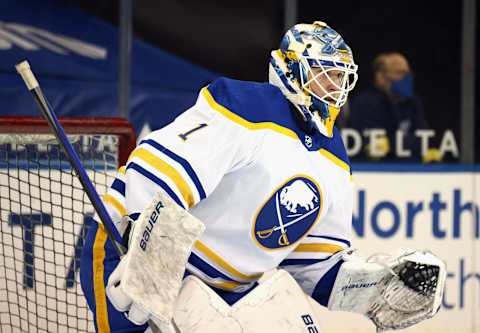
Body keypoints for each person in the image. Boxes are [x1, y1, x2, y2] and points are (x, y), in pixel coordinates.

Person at [80, 22, 444, 332]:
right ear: (292, 70)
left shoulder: (334, 158)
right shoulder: (246, 105)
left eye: (339, 76)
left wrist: (381, 287)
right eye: (324, 72)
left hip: (219, 294)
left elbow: (316, 268)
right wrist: (146, 256)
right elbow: (159, 168)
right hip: (127, 249)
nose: (334, 86)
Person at [349, 52, 441, 162]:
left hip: (410, 166)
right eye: (400, 73)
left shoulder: (412, 102)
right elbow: (370, 143)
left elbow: (423, 135)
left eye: (408, 73)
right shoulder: (364, 103)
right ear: (381, 77)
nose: (407, 78)